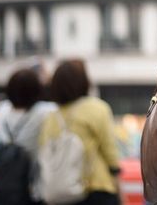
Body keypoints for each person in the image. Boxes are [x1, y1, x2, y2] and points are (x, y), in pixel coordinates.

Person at [39, 59, 121, 205]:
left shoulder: (51, 117)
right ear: (83, 81)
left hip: (61, 194)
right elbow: (110, 154)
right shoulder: (97, 108)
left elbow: (44, 154)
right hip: (97, 190)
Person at [0, 68, 56, 203]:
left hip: (7, 190)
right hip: (34, 189)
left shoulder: (1, 110)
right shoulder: (44, 113)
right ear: (37, 90)